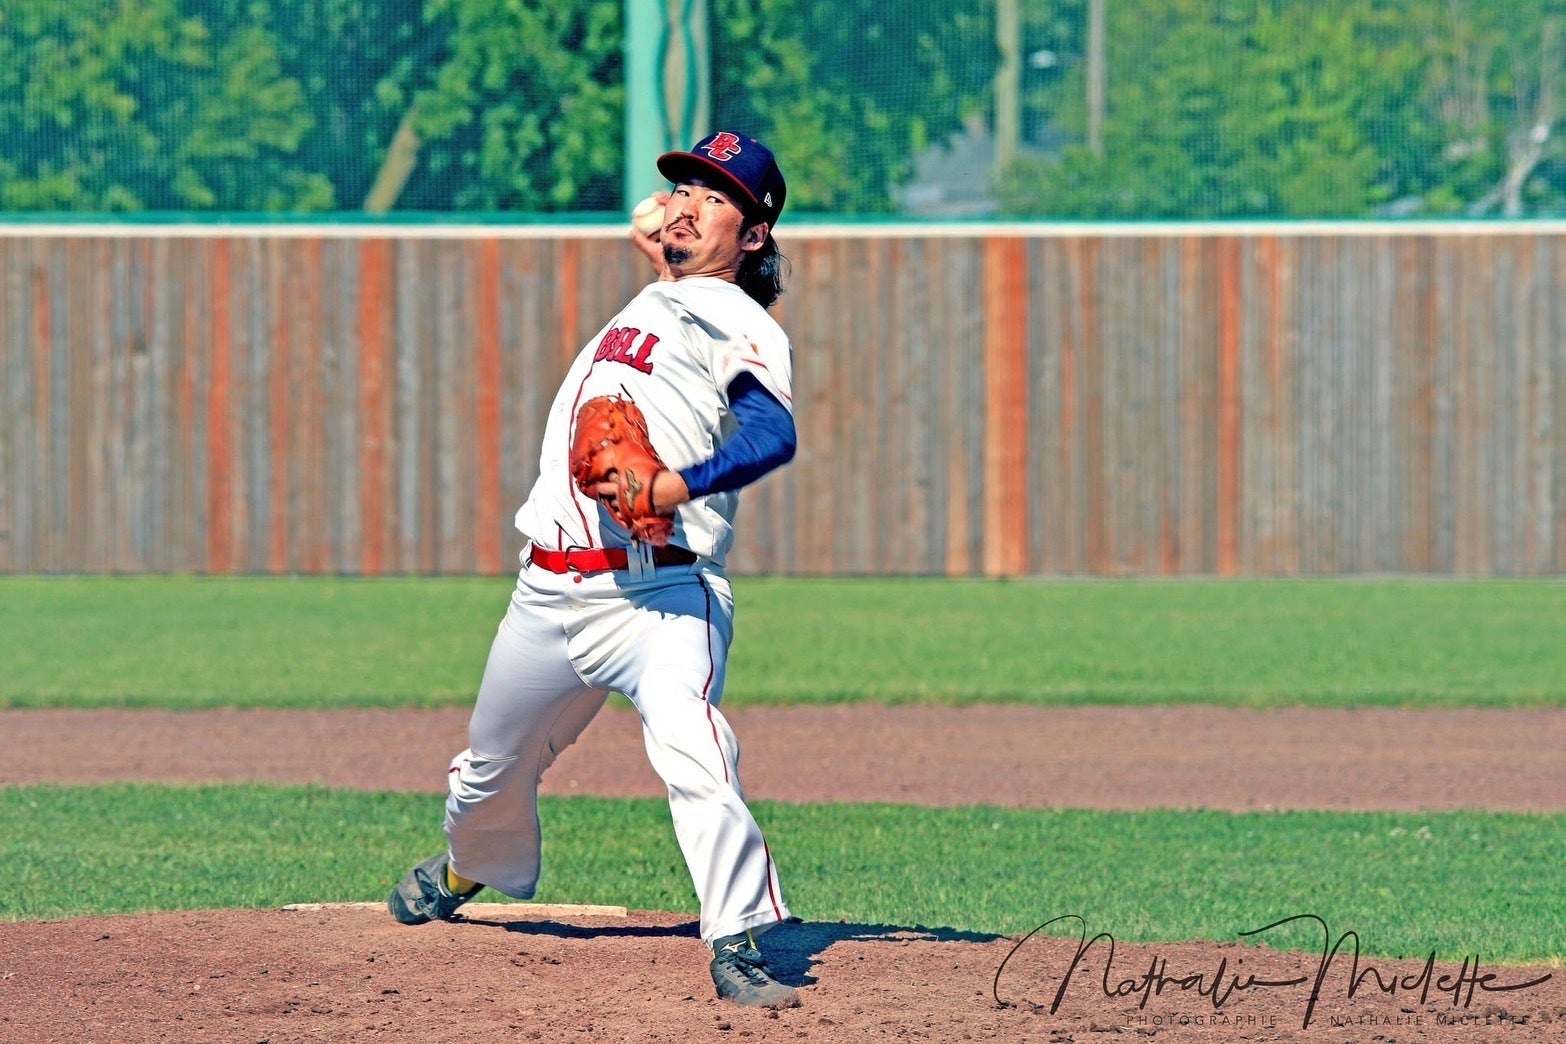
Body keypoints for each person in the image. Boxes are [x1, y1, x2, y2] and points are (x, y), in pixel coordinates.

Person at [388, 131, 802, 1010]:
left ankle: (737, 938)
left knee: (696, 749)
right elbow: (663, 248)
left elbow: (774, 435)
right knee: (489, 770)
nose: (687, 204)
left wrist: (677, 484)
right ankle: (466, 870)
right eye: (684, 186)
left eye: (717, 197)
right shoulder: (663, 299)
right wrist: (665, 243)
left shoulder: (740, 320)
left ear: (755, 234)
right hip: (548, 593)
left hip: (660, 596)